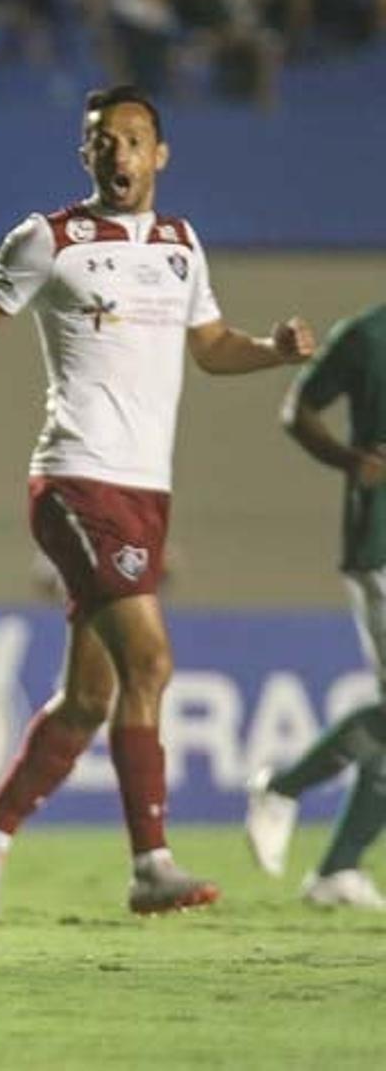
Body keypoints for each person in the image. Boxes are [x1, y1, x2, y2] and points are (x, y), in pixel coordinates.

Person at [0, 84, 316, 920]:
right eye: (103, 140)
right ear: (86, 153)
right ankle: (151, 864)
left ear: (160, 154)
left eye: (134, 139)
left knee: (94, 697)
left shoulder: (180, 245)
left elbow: (210, 348)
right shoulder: (50, 238)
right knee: (153, 663)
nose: (119, 153)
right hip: (76, 480)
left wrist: (273, 351)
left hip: (147, 490)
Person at [245, 302, 386, 910]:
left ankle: (336, 870)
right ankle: (281, 788)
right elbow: (295, 409)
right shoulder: (366, 337)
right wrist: (351, 462)